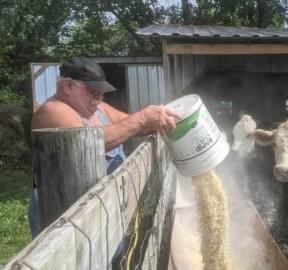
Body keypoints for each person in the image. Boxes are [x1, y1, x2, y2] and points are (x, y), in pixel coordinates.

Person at [29, 57, 180, 237]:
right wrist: (142, 119)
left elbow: (129, 125)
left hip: (100, 206)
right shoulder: (54, 110)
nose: (99, 97)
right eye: (93, 91)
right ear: (68, 86)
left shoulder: (98, 108)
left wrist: (159, 119)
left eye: (101, 92)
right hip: (65, 216)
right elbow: (87, 144)